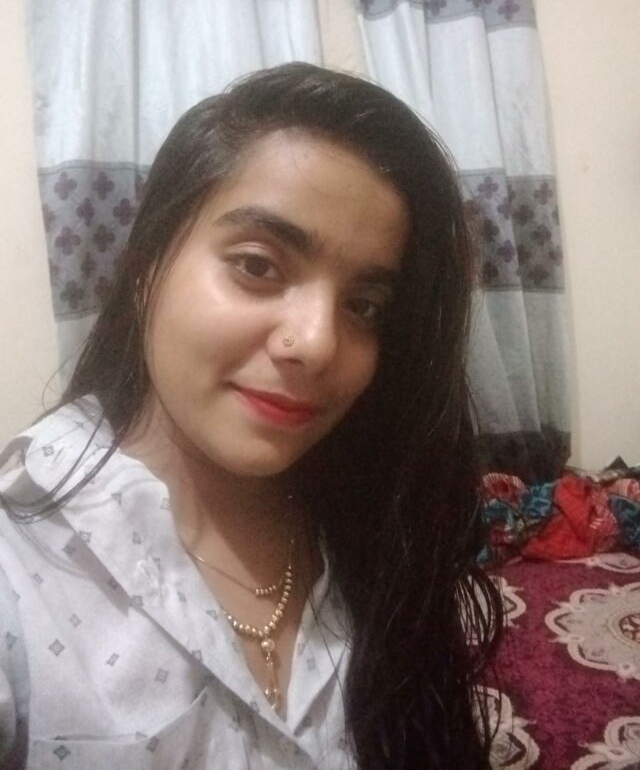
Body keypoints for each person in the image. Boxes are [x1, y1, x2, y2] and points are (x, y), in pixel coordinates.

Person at [0, 63, 502, 769]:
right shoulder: (19, 564)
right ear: (146, 266)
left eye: (364, 306)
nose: (318, 343)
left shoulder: (378, 530)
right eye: (258, 266)